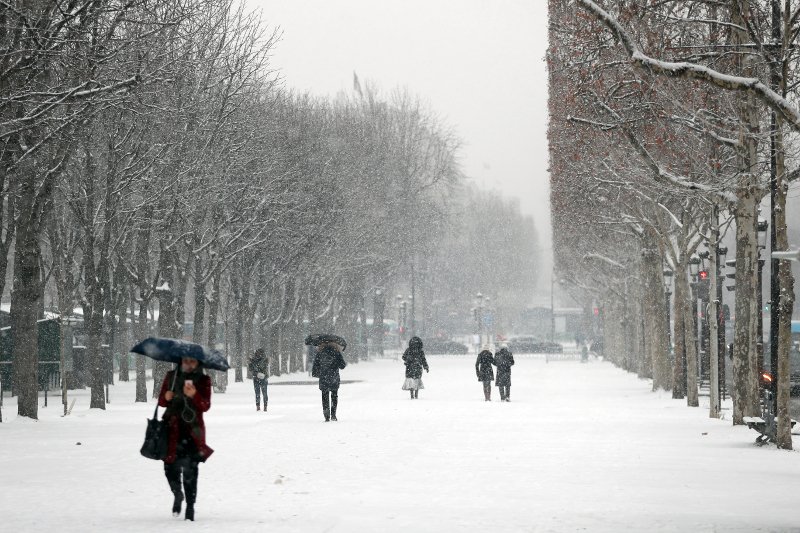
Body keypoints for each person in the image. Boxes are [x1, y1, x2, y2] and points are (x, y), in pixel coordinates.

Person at [157, 356, 214, 521]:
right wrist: (166, 397)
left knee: (191, 471)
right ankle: (177, 494)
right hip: (171, 430)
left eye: (192, 361)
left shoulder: (204, 380)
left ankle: (190, 506)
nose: (188, 364)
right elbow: (161, 402)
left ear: (198, 363)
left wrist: (195, 394)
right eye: (186, 361)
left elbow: (205, 406)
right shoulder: (171, 376)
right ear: (180, 362)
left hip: (192, 432)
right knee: (169, 469)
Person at [311, 340, 347, 421]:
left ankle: (326, 415)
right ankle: (333, 415)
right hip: (334, 377)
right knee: (334, 395)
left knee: (324, 396)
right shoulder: (336, 352)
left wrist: (317, 373)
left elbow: (316, 365)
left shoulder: (320, 352)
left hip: (324, 377)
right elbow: (343, 365)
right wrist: (336, 362)